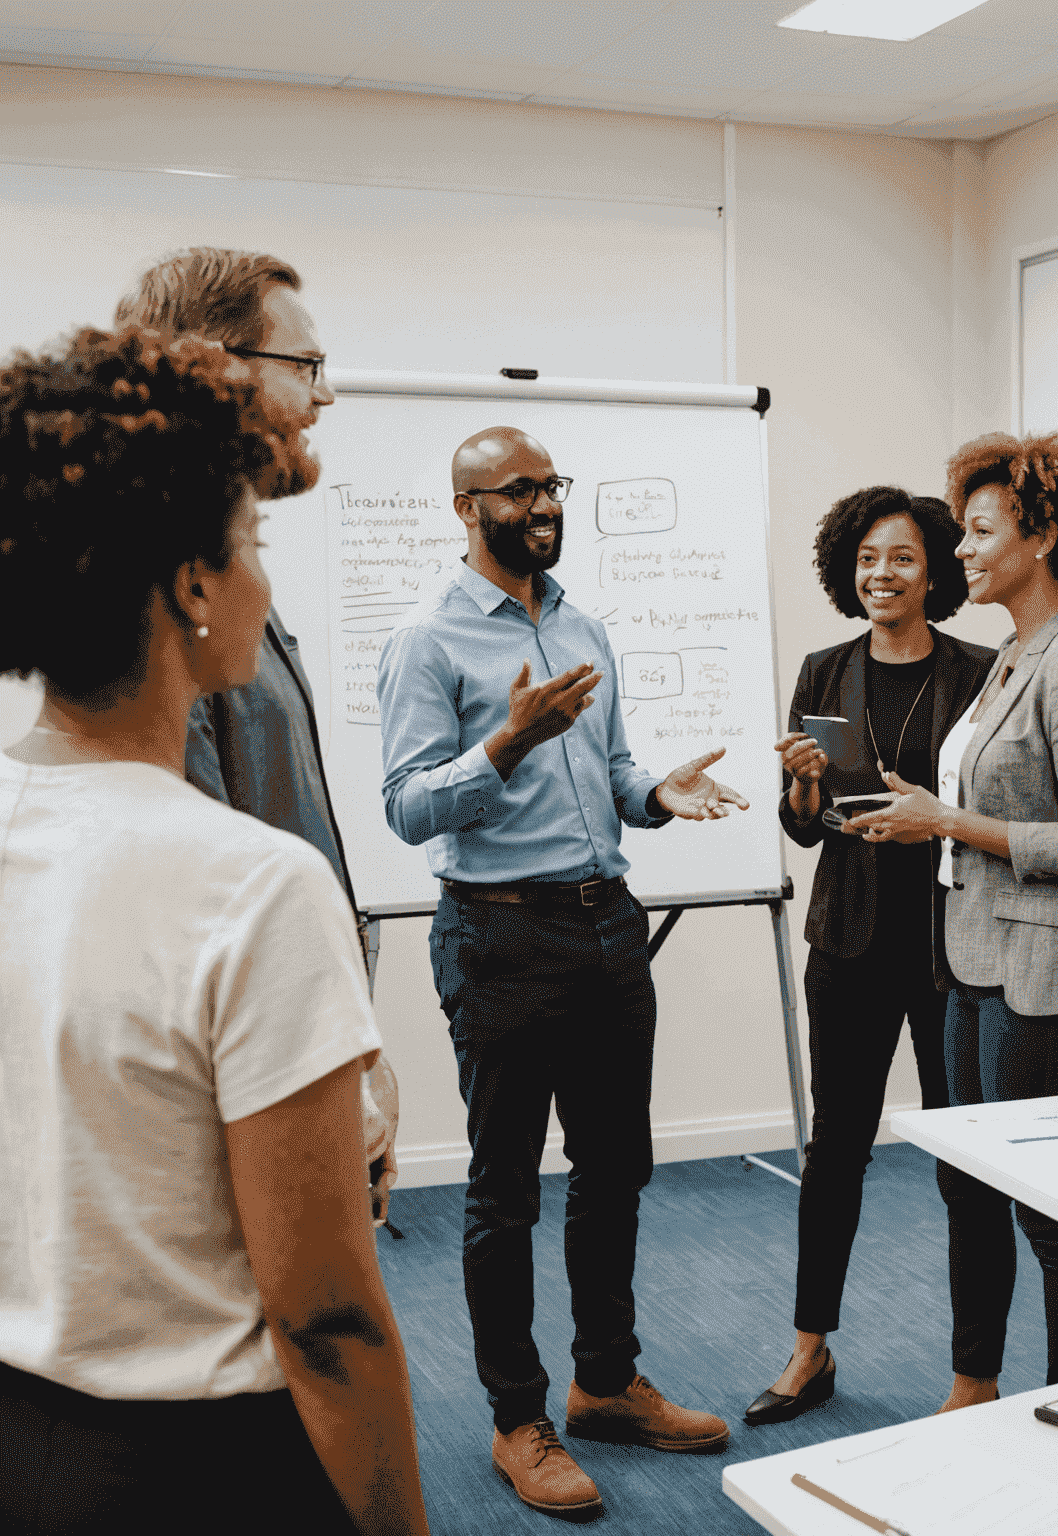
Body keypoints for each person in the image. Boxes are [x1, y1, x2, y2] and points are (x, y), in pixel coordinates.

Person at [0, 327, 429, 1535]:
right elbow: (328, 1321)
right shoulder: (251, 885)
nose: (265, 583)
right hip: (196, 1467)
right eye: (252, 544)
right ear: (192, 582)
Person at [375, 424, 747, 1522]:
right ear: (467, 507)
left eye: (551, 485)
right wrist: (507, 743)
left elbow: (617, 770)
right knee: (500, 1195)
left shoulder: (583, 623)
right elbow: (405, 807)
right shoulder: (428, 641)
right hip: (499, 937)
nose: (542, 502)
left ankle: (605, 1381)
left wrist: (655, 794)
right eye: (518, 488)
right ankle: (515, 1417)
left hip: (605, 929)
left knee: (617, 1169)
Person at [114, 248, 400, 1227]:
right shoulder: (165, 604)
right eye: (305, 367)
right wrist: (328, 1079)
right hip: (259, 1093)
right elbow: (195, 911)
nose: (325, 397)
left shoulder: (230, 585)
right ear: (215, 366)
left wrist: (356, 1046)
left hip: (308, 1058)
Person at [848, 433, 1058, 1406]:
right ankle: (986, 1389)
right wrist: (919, 814)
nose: (958, 550)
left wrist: (949, 821)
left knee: (1054, 1219)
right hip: (973, 964)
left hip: (1048, 978)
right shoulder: (1015, 654)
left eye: (977, 531)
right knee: (975, 1184)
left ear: (1042, 535)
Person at [745, 488, 993, 1426]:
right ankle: (810, 1350)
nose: (880, 575)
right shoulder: (823, 670)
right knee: (836, 1149)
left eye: (900, 559)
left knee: (961, 1159)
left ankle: (975, 1374)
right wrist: (805, 791)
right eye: (866, 561)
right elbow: (802, 830)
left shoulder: (981, 672)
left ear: (934, 571)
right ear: (847, 571)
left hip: (949, 946)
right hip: (847, 941)